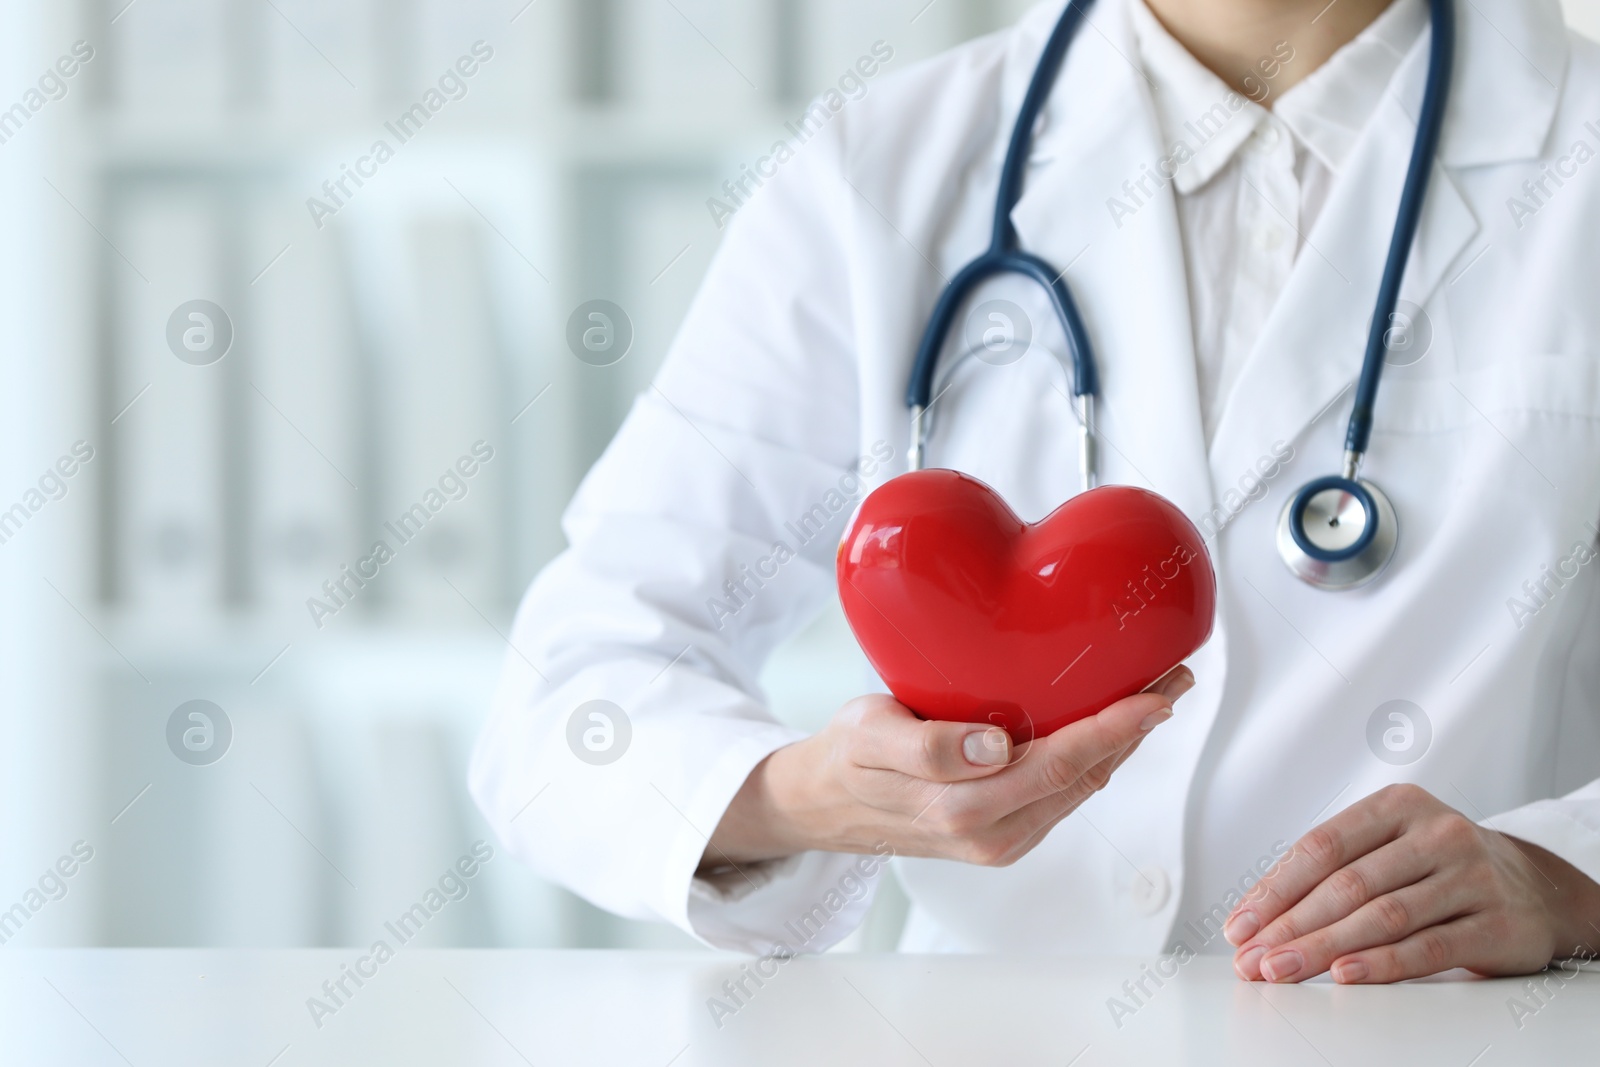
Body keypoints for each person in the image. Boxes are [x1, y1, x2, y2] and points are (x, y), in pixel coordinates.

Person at [472, 0, 1600, 984]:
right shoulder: (880, 166)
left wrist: (1562, 874)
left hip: (1443, 1028)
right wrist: (802, 793)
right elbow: (570, 697)